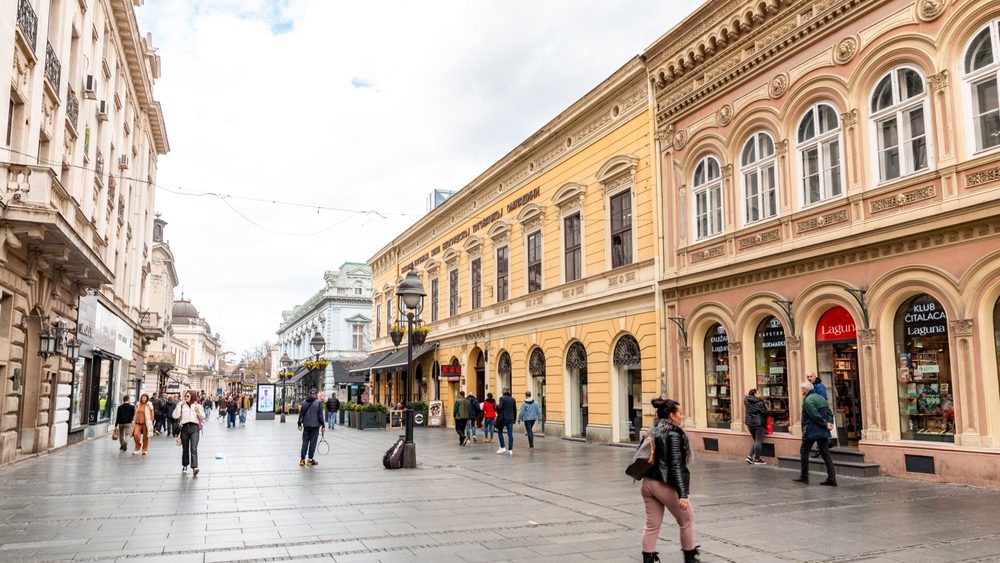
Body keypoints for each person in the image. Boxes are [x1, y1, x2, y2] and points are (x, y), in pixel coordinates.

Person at [641, 398, 699, 563]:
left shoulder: (653, 429)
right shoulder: (674, 433)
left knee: (652, 525)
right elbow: (675, 466)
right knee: (687, 520)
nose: (682, 416)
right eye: (680, 413)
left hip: (647, 483)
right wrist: (683, 494)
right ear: (671, 415)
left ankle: (648, 559)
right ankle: (690, 558)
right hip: (663, 484)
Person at [794, 381, 838, 486]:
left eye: (802, 389)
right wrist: (829, 423)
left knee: (804, 451)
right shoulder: (821, 398)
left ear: (805, 390)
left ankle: (804, 476)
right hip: (822, 431)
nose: (801, 391)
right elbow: (829, 412)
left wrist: (825, 424)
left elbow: (814, 415)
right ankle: (832, 478)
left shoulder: (808, 400)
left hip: (811, 430)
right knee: (826, 454)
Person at [174, 391, 206, 476]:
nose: (186, 397)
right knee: (185, 448)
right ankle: (185, 465)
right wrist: (179, 405)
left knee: (193, 448)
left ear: (192, 396)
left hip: (194, 428)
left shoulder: (198, 406)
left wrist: (198, 412)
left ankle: (195, 467)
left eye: (187, 396)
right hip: (184, 428)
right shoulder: (182, 406)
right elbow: (175, 416)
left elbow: (203, 417)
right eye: (185, 396)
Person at [805, 372, 832, 457]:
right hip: (817, 410)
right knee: (819, 430)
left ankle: (821, 448)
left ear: (815, 377)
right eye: (807, 377)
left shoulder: (819, 386)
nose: (809, 378)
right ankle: (821, 448)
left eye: (811, 376)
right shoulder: (811, 386)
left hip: (820, 410)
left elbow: (822, 398)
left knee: (820, 429)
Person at [297, 388, 325, 466]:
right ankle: (310, 460)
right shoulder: (318, 403)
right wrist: (323, 425)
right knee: (313, 443)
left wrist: (299, 423)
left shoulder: (303, 402)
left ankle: (302, 460)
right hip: (315, 426)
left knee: (305, 442)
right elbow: (320, 415)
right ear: (316, 394)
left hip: (306, 426)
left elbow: (301, 414)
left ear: (309, 394)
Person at [744, 389, 768, 465]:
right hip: (759, 424)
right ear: (754, 394)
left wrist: (747, 396)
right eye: (758, 393)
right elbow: (765, 412)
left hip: (750, 424)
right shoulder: (759, 402)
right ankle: (757, 459)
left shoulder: (747, 401)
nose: (759, 394)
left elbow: (746, 398)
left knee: (756, 441)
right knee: (758, 441)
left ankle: (749, 457)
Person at [495, 387, 516, 455]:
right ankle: (510, 449)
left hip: (503, 418)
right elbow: (514, 409)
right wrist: (514, 419)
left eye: (502, 390)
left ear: (504, 391)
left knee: (500, 431)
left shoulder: (502, 398)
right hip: (511, 418)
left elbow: (500, 408)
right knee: (510, 434)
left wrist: (496, 406)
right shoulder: (513, 399)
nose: (501, 391)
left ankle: (502, 447)